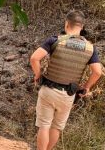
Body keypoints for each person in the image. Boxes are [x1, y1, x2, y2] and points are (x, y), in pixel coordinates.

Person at [30, 10, 102, 150]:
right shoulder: (90, 48)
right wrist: (86, 87)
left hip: (48, 90)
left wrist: (38, 75)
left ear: (66, 24)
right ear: (82, 27)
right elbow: (97, 72)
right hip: (68, 95)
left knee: (44, 125)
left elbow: (34, 58)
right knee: (56, 128)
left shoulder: (55, 40)